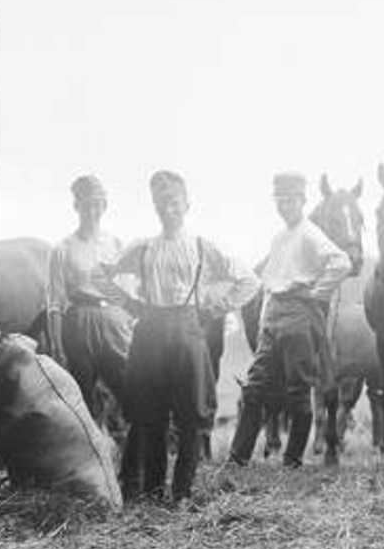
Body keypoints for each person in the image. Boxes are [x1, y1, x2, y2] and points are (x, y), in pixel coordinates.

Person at [95, 170, 258, 505]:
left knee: (191, 417)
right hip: (150, 333)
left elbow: (249, 281)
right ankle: (153, 493)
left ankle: (182, 494)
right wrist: (129, 303)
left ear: (186, 204)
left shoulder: (202, 246)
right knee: (150, 417)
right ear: (154, 206)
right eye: (160, 203)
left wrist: (215, 309)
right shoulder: (143, 248)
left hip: (187, 332)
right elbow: (98, 274)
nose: (167, 209)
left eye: (173, 202)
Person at [229, 172, 352, 469]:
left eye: (290, 201)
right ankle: (237, 458)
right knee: (254, 386)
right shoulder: (279, 237)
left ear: (302, 201)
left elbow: (342, 262)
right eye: (280, 201)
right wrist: (264, 320)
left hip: (298, 315)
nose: (285, 206)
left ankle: (292, 461)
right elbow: (270, 283)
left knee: (298, 390)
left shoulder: (310, 232)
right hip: (272, 315)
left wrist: (316, 293)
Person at [45, 175, 134, 422]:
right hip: (79, 323)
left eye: (97, 204)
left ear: (105, 205)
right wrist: (56, 346)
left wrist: (128, 326)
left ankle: (132, 445)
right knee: (82, 397)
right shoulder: (62, 248)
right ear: (76, 207)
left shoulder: (116, 245)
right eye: (86, 205)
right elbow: (54, 303)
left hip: (114, 321)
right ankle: (92, 444)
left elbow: (127, 293)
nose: (92, 211)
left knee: (131, 390)